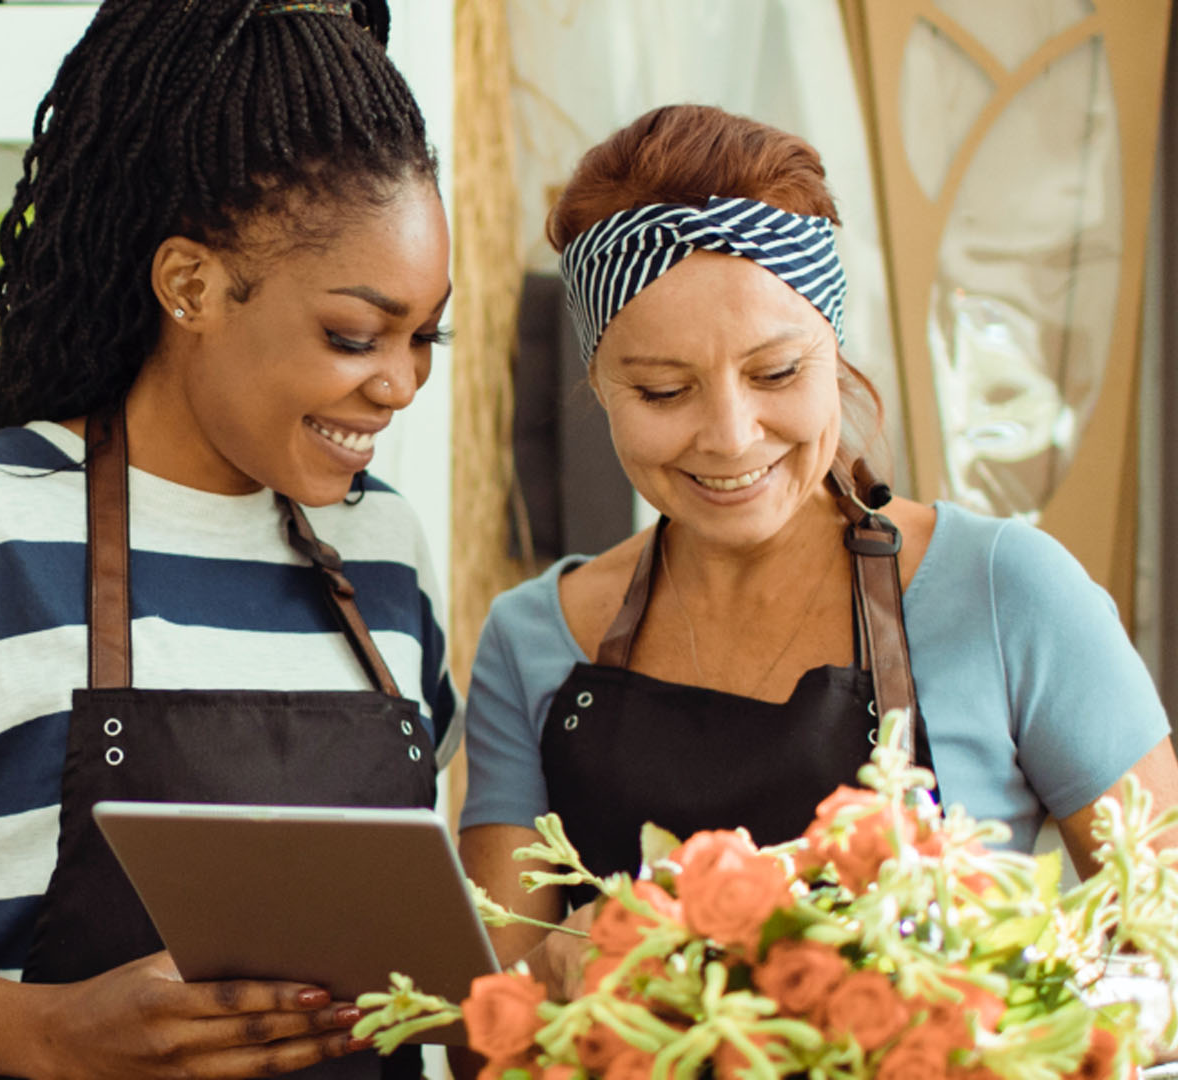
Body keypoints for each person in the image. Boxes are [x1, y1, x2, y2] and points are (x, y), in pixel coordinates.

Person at [0, 2, 458, 1078]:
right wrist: (49, 1034)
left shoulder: (387, 549)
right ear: (190, 285)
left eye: (425, 336)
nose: (400, 383)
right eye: (354, 335)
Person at [457, 103, 1178, 985]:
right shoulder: (532, 641)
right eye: (661, 390)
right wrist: (568, 967)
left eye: (777, 373)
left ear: (834, 351)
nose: (729, 436)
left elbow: (1168, 950)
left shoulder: (1008, 592)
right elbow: (475, 1037)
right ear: (600, 386)